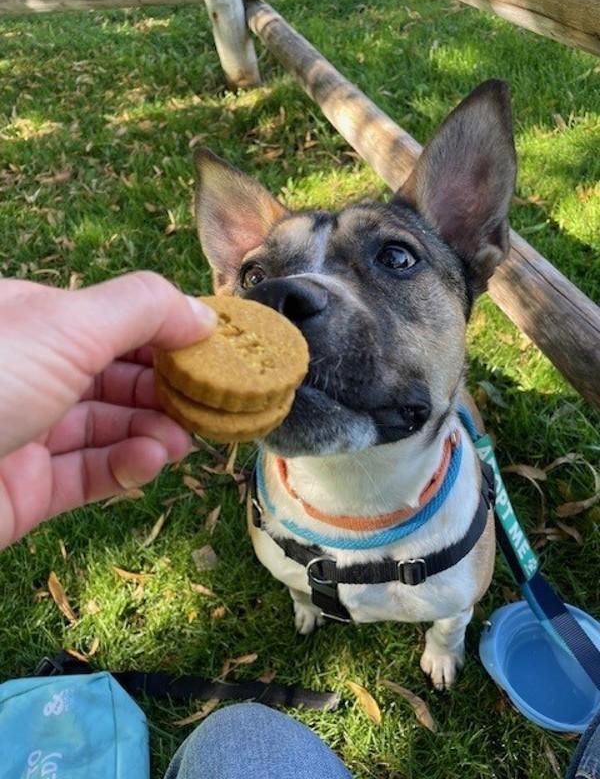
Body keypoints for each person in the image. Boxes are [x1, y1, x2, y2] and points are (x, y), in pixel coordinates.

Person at [0, 273, 595, 779]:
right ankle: (306, 593)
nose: (293, 296)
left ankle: (438, 638)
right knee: (290, 581)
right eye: (258, 276)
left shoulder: (463, 541)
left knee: (445, 613)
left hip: (440, 532)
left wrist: (447, 637)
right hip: (292, 534)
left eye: (394, 259)